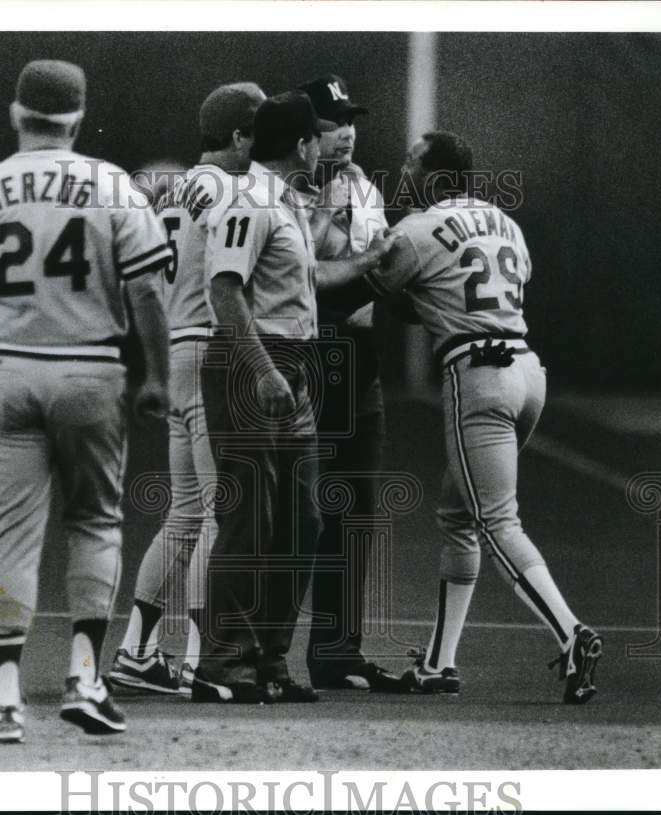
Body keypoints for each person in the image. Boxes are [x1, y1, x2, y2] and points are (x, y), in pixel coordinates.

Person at [0, 59, 171, 743]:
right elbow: (148, 289)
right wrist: (157, 374)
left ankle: (5, 695)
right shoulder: (113, 184)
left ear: (16, 114)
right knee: (96, 522)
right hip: (89, 369)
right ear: (80, 115)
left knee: (11, 534)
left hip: (5, 368)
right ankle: (85, 677)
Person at [361, 131, 603, 703]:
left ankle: (571, 632)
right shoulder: (507, 224)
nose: (404, 170)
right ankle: (440, 665)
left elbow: (377, 291)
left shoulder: (417, 229)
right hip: (527, 373)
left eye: (413, 162)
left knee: (497, 521)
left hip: (479, 377)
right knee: (459, 515)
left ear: (438, 176)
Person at [192, 91, 396, 703]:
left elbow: (303, 280)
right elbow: (226, 291)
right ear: (302, 145)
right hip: (253, 364)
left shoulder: (281, 202)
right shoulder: (249, 200)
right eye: (316, 137)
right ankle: (223, 663)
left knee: (301, 520)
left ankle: (270, 662)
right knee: (250, 516)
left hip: (295, 365)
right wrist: (262, 369)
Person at [109, 82, 266, 696]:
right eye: (259, 133)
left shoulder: (172, 191)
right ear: (238, 136)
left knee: (185, 514)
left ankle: (136, 651)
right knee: (217, 516)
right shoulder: (234, 190)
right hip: (207, 349)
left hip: (176, 347)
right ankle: (200, 658)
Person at [296, 73, 406, 692]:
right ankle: (254, 651)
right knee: (294, 511)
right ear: (306, 133)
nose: (346, 133)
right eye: (332, 123)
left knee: (355, 506)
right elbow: (296, 273)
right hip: (311, 349)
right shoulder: (284, 189)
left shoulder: (364, 185)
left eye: (350, 121)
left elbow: (378, 261)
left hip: (359, 351)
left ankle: (337, 651)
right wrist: (323, 213)